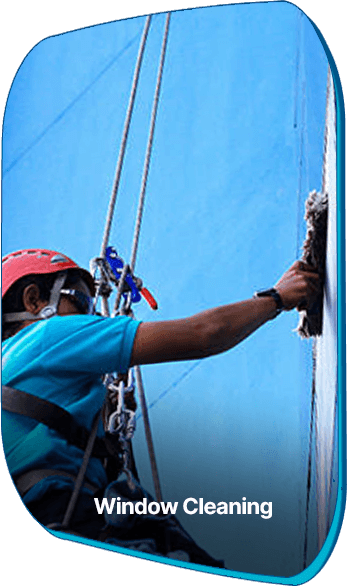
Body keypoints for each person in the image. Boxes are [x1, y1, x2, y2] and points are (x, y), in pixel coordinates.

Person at [2, 248, 320, 565]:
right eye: (83, 303)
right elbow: (204, 334)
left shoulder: (14, 371)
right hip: (65, 512)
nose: (93, 319)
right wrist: (276, 298)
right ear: (33, 300)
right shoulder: (47, 335)